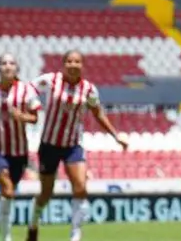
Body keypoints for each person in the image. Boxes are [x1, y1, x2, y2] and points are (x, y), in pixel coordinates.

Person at [28, 51, 128, 241]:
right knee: (46, 193)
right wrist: (33, 104)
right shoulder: (51, 81)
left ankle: (75, 234)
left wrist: (116, 136)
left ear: (82, 65)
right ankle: (34, 222)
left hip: (73, 145)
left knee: (81, 187)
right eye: (69, 61)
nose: (73, 65)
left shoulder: (89, 89)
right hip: (49, 144)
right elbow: (29, 88)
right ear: (63, 64)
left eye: (77, 62)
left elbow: (98, 113)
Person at [0, 54, 41, 241]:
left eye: (12, 63)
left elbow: (35, 117)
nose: (8, 66)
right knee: (7, 189)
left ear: (17, 69)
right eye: (3, 63)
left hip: (19, 154)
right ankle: (6, 238)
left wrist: (23, 117)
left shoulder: (27, 91)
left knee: (8, 194)